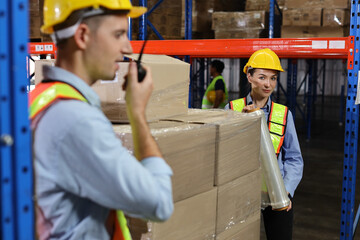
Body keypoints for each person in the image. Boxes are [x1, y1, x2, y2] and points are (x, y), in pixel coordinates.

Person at [29, 0, 174, 239]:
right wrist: (137, 113)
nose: (127, 48)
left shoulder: (42, 98)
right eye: (118, 34)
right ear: (83, 35)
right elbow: (158, 203)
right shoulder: (75, 119)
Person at [225, 48, 304, 240]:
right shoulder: (232, 109)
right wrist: (241, 123)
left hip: (276, 191)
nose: (268, 84)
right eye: (262, 77)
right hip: (242, 192)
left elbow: (294, 158)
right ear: (249, 76)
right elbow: (226, 153)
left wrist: (286, 189)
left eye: (273, 78)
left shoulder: (284, 114)